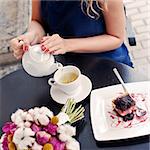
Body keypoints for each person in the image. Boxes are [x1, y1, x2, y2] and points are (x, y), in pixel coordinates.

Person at [10, 0, 133, 67]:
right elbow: (38, 22)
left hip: (107, 65)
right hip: (64, 66)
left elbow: (116, 38)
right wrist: (30, 36)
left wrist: (67, 44)